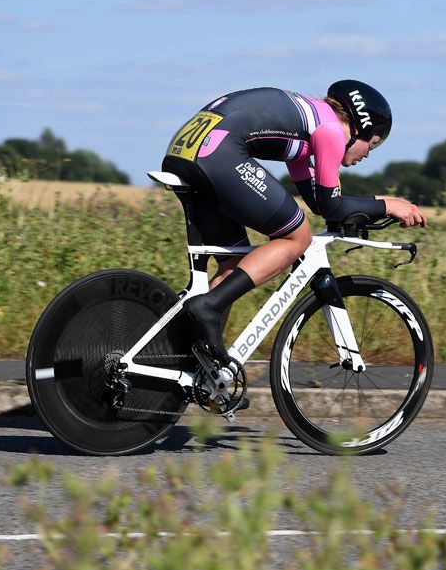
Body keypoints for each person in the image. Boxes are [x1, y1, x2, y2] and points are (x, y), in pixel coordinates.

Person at [161, 80, 426, 365]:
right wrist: (387, 204)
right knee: (297, 238)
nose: (368, 154)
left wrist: (372, 206)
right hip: (217, 153)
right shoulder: (331, 131)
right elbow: (332, 206)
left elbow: (317, 201)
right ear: (360, 128)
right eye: (371, 144)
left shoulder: (309, 124)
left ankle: (194, 368)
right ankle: (208, 306)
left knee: (232, 269)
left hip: (188, 152)